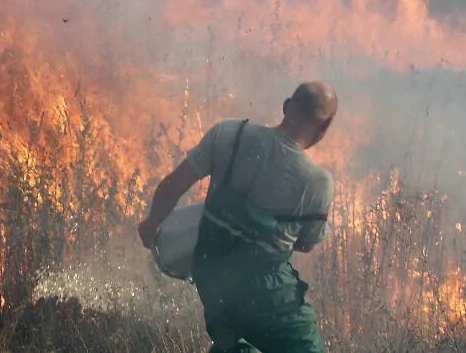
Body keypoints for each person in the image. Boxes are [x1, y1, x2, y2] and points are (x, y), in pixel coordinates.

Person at [138, 81, 338, 353]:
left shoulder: (229, 134)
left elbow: (173, 185)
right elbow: (305, 243)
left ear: (287, 105)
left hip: (213, 277)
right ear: (324, 128)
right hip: (269, 294)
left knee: (231, 345)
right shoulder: (316, 182)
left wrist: (151, 225)